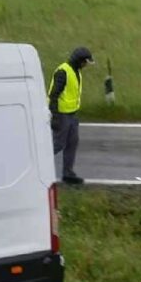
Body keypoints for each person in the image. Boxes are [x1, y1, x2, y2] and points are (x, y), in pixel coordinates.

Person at [48, 47, 94, 185]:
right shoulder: (63, 71)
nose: (86, 65)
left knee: (72, 143)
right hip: (62, 115)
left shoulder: (76, 71)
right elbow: (53, 95)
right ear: (80, 61)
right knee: (58, 145)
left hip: (72, 114)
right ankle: (36, 166)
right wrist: (55, 117)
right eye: (86, 62)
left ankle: (68, 173)